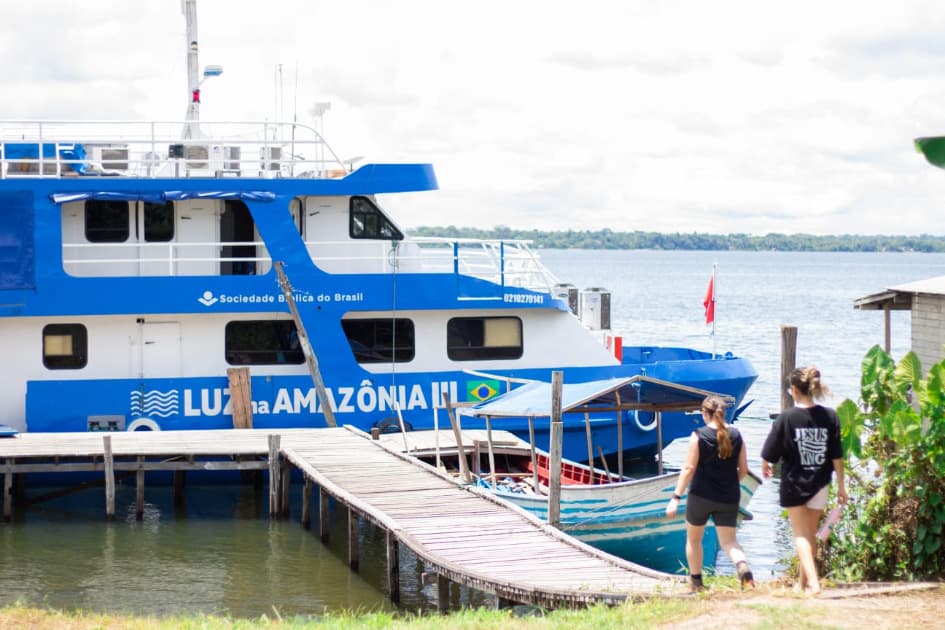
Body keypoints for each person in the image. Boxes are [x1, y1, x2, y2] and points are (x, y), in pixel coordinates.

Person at [761, 366, 848, 595]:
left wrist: (765, 465)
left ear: (793, 390)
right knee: (810, 537)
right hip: (821, 482)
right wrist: (841, 485)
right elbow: (837, 455)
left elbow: (768, 453)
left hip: (794, 484)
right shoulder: (830, 416)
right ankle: (802, 585)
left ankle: (815, 584)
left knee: (800, 536)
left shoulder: (786, 418)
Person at [666, 395, 754, 592]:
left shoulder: (698, 435)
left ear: (705, 414)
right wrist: (730, 483)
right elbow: (744, 470)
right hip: (729, 497)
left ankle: (696, 584)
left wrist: (676, 497)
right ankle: (743, 568)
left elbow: (688, 468)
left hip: (700, 496)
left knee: (694, 540)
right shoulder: (736, 435)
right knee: (729, 542)